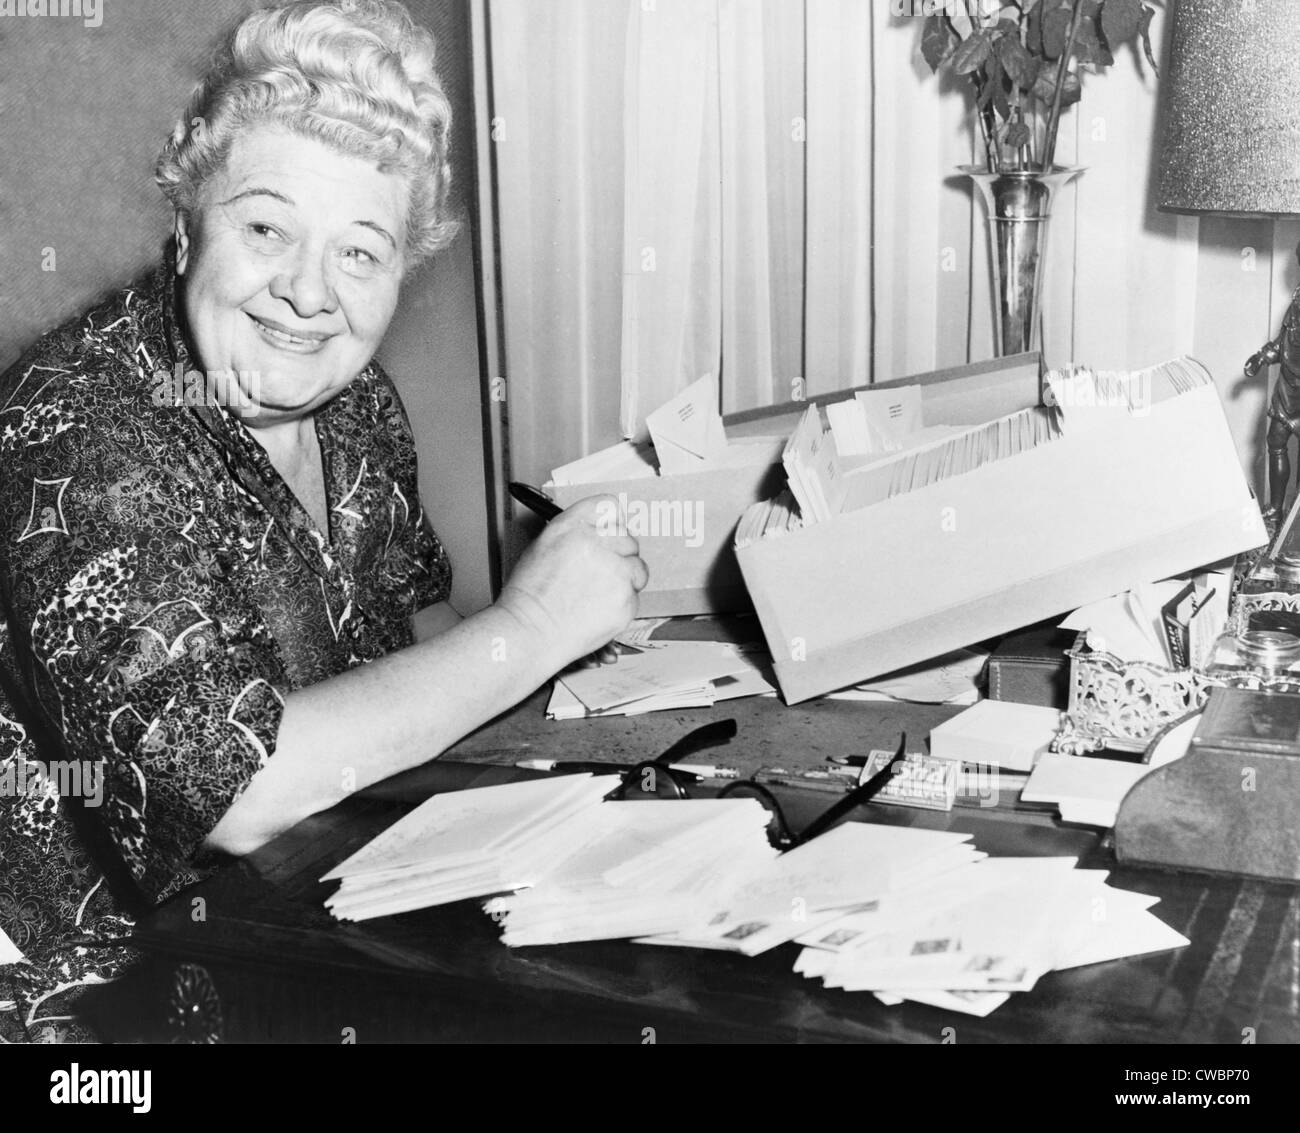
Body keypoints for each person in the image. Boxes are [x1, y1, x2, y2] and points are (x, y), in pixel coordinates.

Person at [0, 0, 645, 1042]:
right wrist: (532, 626)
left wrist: (592, 703)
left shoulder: (354, 403)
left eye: (360, 254)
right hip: (107, 1005)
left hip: (324, 930)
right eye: (267, 228)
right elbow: (237, 789)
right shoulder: (75, 425)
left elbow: (422, 636)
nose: (308, 293)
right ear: (185, 218)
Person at [1243, 245, 1300, 525]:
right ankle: (1275, 511)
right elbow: (1283, 343)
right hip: (1287, 390)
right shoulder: (1297, 302)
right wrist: (1261, 357)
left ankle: (1295, 522)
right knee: (1275, 441)